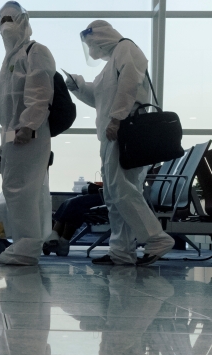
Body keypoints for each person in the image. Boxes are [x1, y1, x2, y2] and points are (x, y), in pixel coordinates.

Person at [66, 20, 175, 266]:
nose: (91, 49)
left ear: (99, 36)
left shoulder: (127, 49)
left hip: (124, 132)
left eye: (91, 42)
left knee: (121, 190)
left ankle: (156, 238)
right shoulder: (111, 63)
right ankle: (121, 251)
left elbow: (129, 87)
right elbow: (99, 98)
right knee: (114, 194)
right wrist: (78, 86)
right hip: (113, 134)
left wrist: (116, 120)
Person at [0, 1, 54, 266]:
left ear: (23, 22)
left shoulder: (35, 51)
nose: (5, 26)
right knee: (17, 189)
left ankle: (27, 246)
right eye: (2, 20)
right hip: (12, 136)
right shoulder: (10, 59)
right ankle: (26, 243)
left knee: (22, 191)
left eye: (10, 19)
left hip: (29, 134)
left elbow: (40, 93)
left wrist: (28, 125)